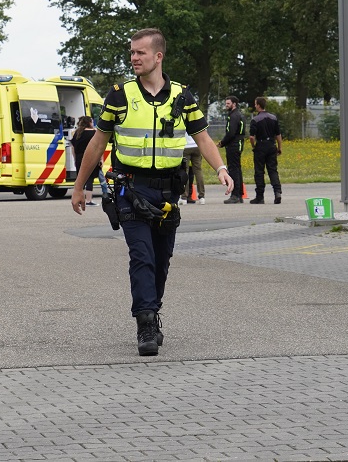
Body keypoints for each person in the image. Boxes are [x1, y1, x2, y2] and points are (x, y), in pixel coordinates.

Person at [71, 28, 233, 356]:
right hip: (132, 189)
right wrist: (79, 186)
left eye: (140, 52)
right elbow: (97, 143)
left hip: (168, 193)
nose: (134, 58)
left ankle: (152, 310)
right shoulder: (119, 96)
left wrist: (221, 169)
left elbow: (203, 138)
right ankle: (145, 322)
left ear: (158, 57)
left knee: (161, 259)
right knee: (142, 256)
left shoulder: (183, 97)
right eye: (132, 52)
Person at [249, 96, 283, 204]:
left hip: (261, 146)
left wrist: (253, 146)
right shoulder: (273, 118)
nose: (255, 105)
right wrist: (279, 147)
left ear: (258, 105)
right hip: (272, 145)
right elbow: (278, 134)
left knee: (259, 171)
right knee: (273, 170)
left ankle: (260, 196)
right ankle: (277, 192)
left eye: (255, 104)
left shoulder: (255, 120)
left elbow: (251, 137)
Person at [217, 95, 245, 204]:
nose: (226, 105)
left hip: (233, 145)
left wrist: (222, 143)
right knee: (237, 169)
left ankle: (235, 195)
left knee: (233, 170)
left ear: (234, 104)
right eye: (226, 103)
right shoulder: (239, 114)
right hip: (238, 144)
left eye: (228, 104)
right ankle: (240, 194)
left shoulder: (233, 116)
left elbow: (231, 133)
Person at [70, 116, 102, 206]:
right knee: (90, 179)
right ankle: (88, 200)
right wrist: (100, 159)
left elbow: (73, 147)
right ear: (89, 122)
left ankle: (79, 199)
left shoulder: (77, 133)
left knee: (80, 179)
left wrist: (75, 158)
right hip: (91, 157)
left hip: (79, 157)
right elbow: (98, 147)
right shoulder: (94, 133)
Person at [181, 133, 205, 204]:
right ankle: (202, 196)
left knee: (185, 171)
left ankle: (184, 197)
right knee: (198, 171)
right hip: (196, 145)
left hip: (185, 146)